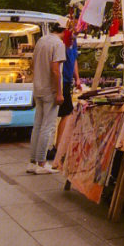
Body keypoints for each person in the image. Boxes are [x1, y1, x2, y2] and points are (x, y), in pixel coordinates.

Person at [28, 21, 65, 174]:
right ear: (65, 30)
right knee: (47, 127)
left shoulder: (41, 40)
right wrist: (59, 92)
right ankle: (42, 163)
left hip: (38, 88)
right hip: (50, 90)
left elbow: (32, 64)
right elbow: (56, 70)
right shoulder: (58, 44)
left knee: (37, 125)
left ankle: (32, 162)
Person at [50, 23, 82, 166]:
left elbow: (74, 60)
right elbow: (56, 66)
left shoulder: (73, 43)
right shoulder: (61, 43)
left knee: (66, 113)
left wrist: (77, 78)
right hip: (61, 81)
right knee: (66, 113)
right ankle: (57, 146)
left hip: (67, 81)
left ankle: (58, 145)